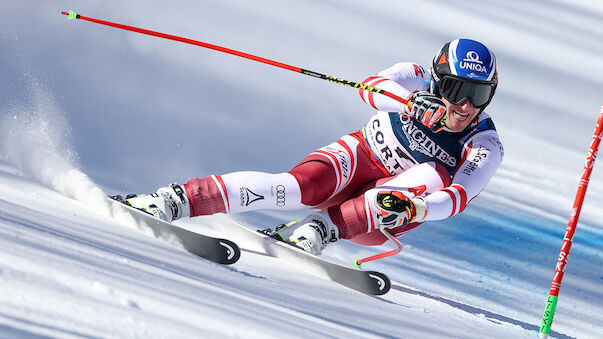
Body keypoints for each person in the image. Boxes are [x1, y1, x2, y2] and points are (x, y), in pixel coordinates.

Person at [119, 38, 504, 256]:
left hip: (387, 210)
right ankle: (174, 199)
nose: (465, 106)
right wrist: (409, 103)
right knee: (295, 188)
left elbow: (458, 196)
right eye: (456, 90)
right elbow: (371, 88)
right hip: (363, 155)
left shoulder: (484, 141)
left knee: (432, 174)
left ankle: (320, 230)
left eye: (478, 94)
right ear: (437, 81)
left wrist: (419, 206)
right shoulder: (416, 77)